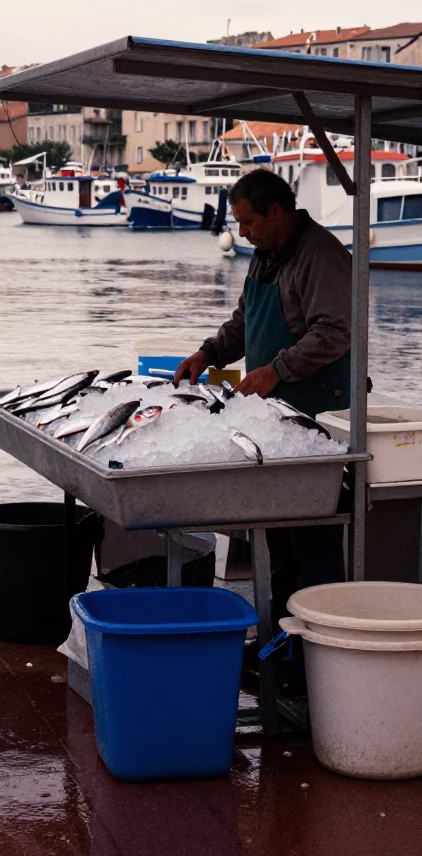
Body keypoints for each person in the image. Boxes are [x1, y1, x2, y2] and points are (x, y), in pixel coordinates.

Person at [174, 168, 352, 651]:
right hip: (273, 418)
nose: (243, 232)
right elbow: (245, 320)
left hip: (315, 418)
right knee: (279, 535)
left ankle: (321, 649)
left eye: (248, 222)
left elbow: (334, 333)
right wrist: (209, 352)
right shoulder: (265, 253)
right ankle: (281, 641)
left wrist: (276, 370)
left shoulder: (322, 255)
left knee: (313, 539)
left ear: (276, 212)